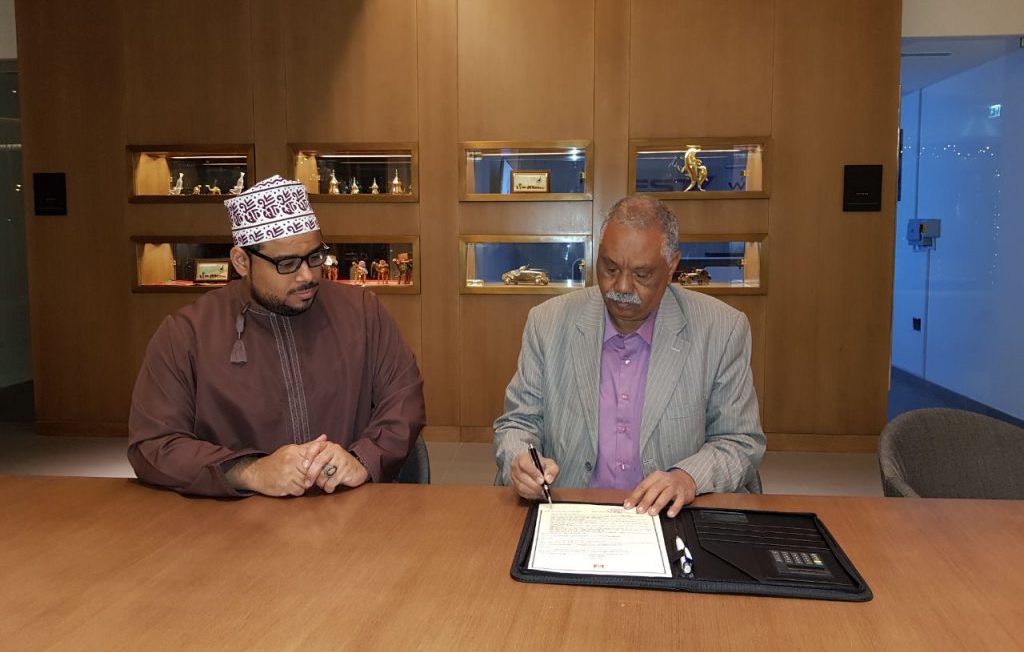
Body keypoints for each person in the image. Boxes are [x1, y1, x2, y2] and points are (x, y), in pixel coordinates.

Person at [128, 175, 425, 498]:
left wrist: (362, 459)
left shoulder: (362, 312)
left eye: (315, 257)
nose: (307, 275)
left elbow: (404, 399)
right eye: (287, 264)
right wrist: (250, 471)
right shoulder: (187, 333)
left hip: (352, 506)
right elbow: (154, 444)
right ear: (242, 262)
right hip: (236, 518)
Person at [494, 195, 765, 518]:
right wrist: (522, 460)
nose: (621, 287)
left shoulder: (721, 329)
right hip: (570, 510)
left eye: (642, 274)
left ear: (672, 266)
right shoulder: (548, 323)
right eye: (610, 268)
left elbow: (740, 440)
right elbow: (518, 423)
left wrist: (688, 477)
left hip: (672, 515)